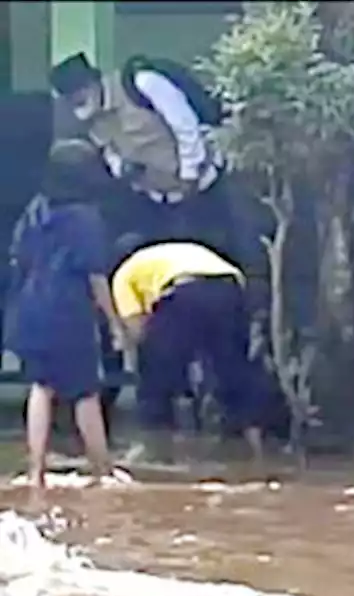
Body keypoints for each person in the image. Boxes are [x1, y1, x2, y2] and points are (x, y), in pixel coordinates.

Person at [48, 52, 245, 266]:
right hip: (157, 202)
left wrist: (190, 176)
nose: (77, 99)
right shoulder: (93, 120)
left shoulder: (142, 84)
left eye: (80, 91)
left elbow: (185, 126)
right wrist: (121, 168)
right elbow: (108, 151)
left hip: (202, 190)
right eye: (70, 97)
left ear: (93, 83)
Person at [6, 139, 121, 489]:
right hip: (68, 309)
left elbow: (19, 258)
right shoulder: (85, 218)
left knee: (42, 387)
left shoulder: (35, 210)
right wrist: (115, 322)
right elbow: (96, 276)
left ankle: (35, 471)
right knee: (86, 392)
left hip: (30, 306)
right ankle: (103, 472)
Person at [110, 239, 268, 469]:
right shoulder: (162, 256)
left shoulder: (122, 276)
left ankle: (155, 450)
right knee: (234, 371)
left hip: (183, 291)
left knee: (155, 372)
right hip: (230, 287)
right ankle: (252, 449)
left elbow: (138, 331)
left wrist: (125, 346)